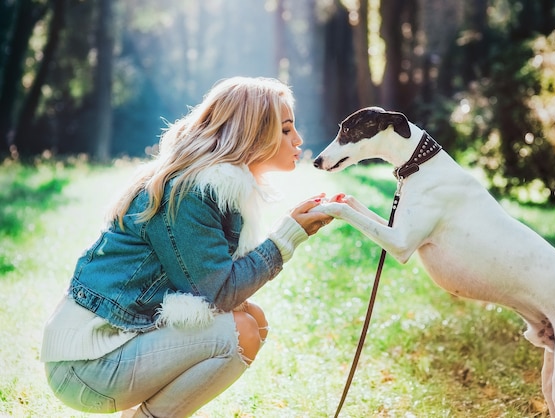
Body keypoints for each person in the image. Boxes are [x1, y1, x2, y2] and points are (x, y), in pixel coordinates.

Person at [41, 76, 337, 418]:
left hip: (107, 349)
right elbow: (220, 292)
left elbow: (220, 290)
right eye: (285, 130)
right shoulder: (192, 193)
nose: (298, 139)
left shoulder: (212, 186)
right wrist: (286, 237)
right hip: (85, 366)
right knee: (239, 332)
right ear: (252, 134)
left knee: (252, 319)